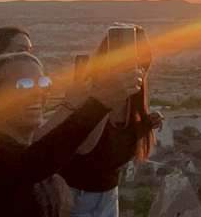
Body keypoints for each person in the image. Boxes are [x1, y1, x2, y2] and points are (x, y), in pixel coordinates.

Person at [0, 51, 140, 217]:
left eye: (43, 83)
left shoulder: (21, 150)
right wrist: (99, 103)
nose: (37, 93)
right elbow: (32, 163)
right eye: (23, 85)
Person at [62, 26, 165, 217]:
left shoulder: (133, 101)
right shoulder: (88, 92)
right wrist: (105, 96)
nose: (136, 65)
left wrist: (146, 124)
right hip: (76, 195)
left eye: (142, 59)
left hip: (108, 195)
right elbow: (85, 147)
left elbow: (118, 148)